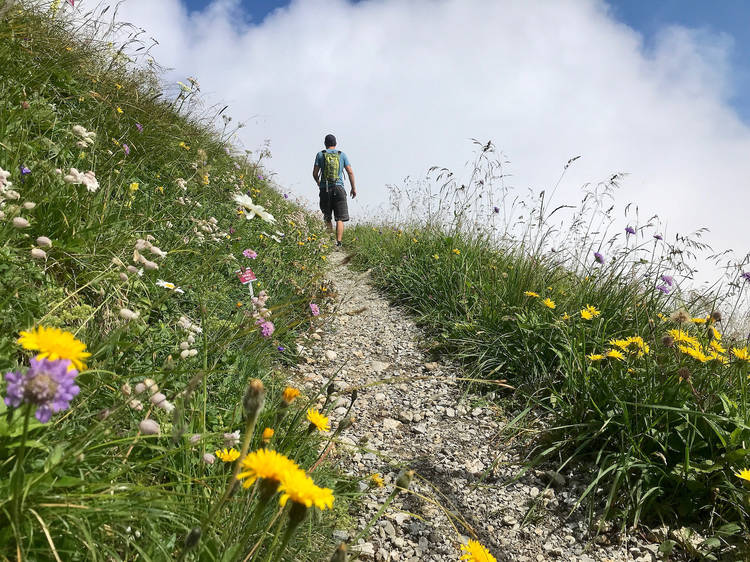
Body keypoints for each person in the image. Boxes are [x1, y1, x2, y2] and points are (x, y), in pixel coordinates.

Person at [312, 134, 356, 246]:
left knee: (327, 217)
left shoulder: (320, 155)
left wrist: (319, 183)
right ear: (335, 143)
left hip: (325, 188)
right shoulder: (342, 155)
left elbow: (315, 173)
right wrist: (353, 188)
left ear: (325, 144)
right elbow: (350, 172)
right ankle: (339, 242)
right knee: (339, 218)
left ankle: (330, 242)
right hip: (339, 188)